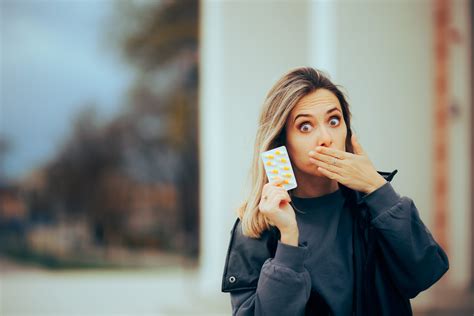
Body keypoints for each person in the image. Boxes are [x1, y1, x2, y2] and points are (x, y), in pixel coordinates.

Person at [221, 67, 449, 316]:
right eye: (305, 126)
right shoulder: (258, 225)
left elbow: (425, 273)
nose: (326, 138)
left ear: (348, 132)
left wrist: (377, 188)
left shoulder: (374, 205)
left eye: (334, 121)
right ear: (281, 143)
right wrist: (288, 240)